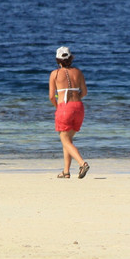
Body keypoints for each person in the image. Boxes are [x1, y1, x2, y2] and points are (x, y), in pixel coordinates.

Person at [48, 45, 89, 179]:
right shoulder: (78, 72)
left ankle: (82, 163)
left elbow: (51, 96)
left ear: (57, 60)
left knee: (65, 140)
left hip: (64, 108)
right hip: (79, 107)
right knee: (68, 140)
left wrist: (58, 106)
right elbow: (84, 92)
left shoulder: (55, 74)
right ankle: (66, 171)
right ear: (71, 58)